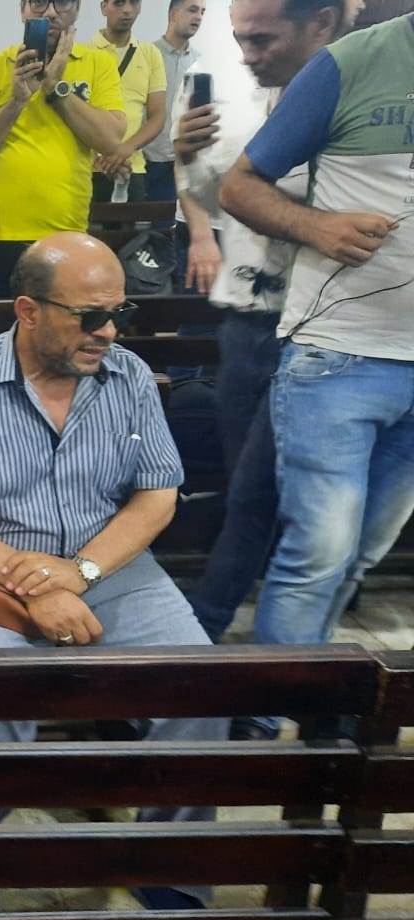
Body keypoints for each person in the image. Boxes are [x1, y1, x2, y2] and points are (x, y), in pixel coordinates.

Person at [0, 232, 229, 915]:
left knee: (204, 686)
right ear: (28, 310)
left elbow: (157, 495)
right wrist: (34, 584)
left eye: (119, 313)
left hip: (110, 564)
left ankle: (169, 863)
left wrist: (80, 572)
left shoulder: (129, 378)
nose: (109, 332)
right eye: (90, 316)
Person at [218, 13, 412, 667]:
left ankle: (319, 695)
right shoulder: (350, 63)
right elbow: (239, 185)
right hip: (340, 355)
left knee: (361, 555)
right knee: (317, 556)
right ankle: (270, 711)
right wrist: (316, 226)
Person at [175, 1, 347, 737]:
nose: (247, 52)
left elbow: (325, 205)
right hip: (248, 322)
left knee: (296, 511)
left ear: (324, 24)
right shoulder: (242, 94)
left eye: (261, 38)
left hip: (325, 329)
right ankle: (220, 653)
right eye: (240, 37)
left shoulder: (348, 95)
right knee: (254, 493)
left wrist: (249, 187)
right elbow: (212, 190)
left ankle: (227, 651)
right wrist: (189, 158)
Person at [0, 0, 126, 299]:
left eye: (61, 3)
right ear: (23, 10)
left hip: (66, 236)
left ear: (77, 9)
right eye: (38, 3)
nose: (49, 12)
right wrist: (16, 102)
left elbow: (110, 140)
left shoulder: (98, 63)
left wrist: (55, 87)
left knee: (60, 326)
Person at [88, 0, 167, 206]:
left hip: (133, 167)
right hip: (88, 168)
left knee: (132, 227)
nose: (127, 10)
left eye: (134, 3)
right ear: (104, 7)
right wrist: (104, 150)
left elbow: (158, 116)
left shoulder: (150, 54)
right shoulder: (84, 53)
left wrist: (126, 148)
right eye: (119, 3)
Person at [142, 0, 204, 204]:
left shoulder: (200, 63)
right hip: (145, 159)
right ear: (173, 14)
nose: (198, 17)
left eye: (202, 12)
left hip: (182, 163)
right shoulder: (146, 55)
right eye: (192, 10)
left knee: (174, 222)